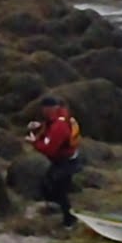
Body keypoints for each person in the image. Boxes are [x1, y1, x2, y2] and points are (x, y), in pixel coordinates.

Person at [26, 96, 82, 227]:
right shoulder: (62, 117)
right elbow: (50, 128)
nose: (42, 112)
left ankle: (69, 221)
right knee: (48, 183)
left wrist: (34, 142)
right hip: (69, 158)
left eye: (43, 109)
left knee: (59, 189)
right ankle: (55, 209)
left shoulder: (60, 126)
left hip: (66, 162)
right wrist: (39, 126)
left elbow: (50, 149)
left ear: (49, 108)